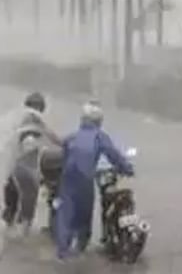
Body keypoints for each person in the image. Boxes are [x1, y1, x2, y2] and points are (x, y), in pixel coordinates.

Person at [54, 100, 133, 261]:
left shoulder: (72, 137)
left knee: (65, 214)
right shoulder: (100, 137)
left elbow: (63, 155)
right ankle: (80, 250)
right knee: (84, 214)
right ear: (99, 121)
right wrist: (128, 169)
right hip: (85, 178)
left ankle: (63, 252)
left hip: (67, 178)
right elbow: (114, 155)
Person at [0, 91, 62, 236]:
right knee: (28, 206)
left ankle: (10, 234)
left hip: (14, 170)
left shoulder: (20, 121)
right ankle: (22, 236)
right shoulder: (34, 122)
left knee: (12, 206)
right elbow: (51, 138)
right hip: (27, 171)